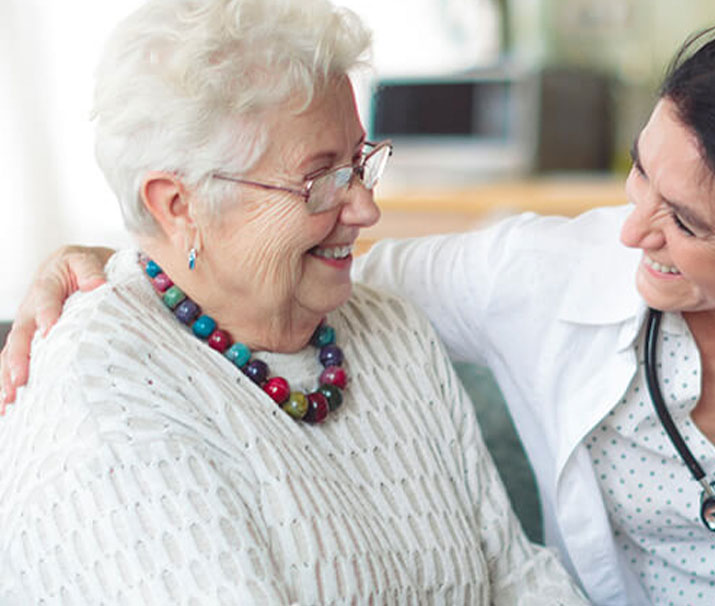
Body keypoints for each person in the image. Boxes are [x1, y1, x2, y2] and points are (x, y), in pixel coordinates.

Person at [3, 10, 715, 606]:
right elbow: (269, 282)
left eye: (686, 226)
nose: (627, 235)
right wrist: (134, 261)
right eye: (634, 177)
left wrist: (195, 244)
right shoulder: (531, 273)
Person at [0, 0, 590, 604]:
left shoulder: (386, 326)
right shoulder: (105, 403)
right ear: (179, 206)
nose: (366, 209)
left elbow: (517, 578)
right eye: (321, 180)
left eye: (359, 163)